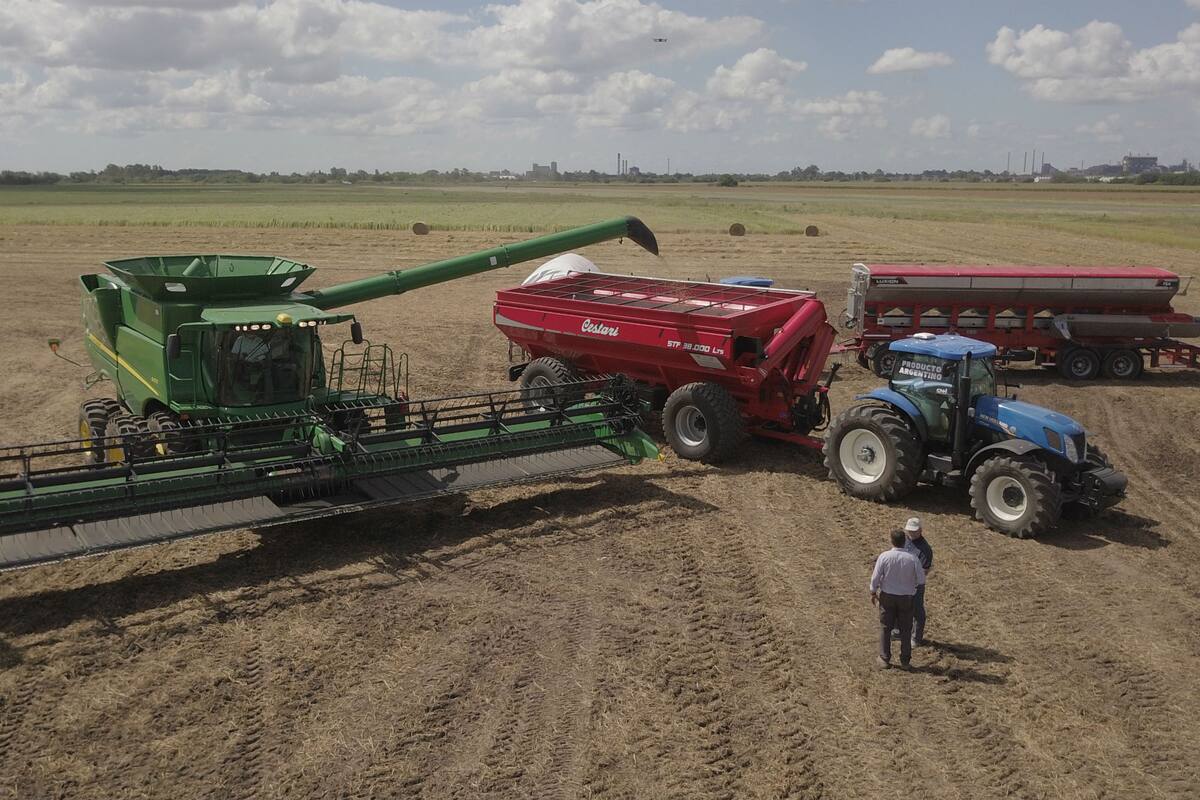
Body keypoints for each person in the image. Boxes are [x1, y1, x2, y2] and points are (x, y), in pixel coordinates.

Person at [869, 528, 925, 669]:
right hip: (906, 598)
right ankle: (905, 661)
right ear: (904, 541)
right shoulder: (913, 558)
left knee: (886, 627)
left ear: (891, 541)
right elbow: (921, 580)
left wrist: (873, 591)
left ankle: (884, 658)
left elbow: (876, 577)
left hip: (887, 596)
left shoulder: (884, 556)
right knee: (906, 629)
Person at [903, 517, 933, 647]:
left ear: (920, 530)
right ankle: (898, 631)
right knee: (900, 606)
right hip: (902, 581)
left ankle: (916, 638)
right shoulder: (905, 541)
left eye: (914, 531)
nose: (911, 533)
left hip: (915, 584)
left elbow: (924, 571)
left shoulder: (925, 549)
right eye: (909, 530)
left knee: (917, 610)